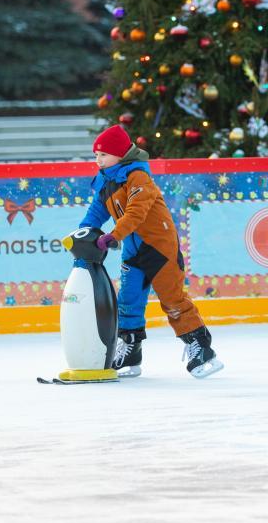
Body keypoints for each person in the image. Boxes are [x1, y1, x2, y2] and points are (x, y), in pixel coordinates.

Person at [79, 125, 224, 377]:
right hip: (132, 250)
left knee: (172, 299)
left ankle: (201, 348)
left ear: (120, 154)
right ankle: (131, 353)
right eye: (95, 155)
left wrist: (114, 235)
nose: (97, 160)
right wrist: (83, 232)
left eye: (103, 155)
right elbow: (97, 211)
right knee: (128, 299)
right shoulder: (105, 180)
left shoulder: (137, 176)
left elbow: (137, 212)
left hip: (159, 246)